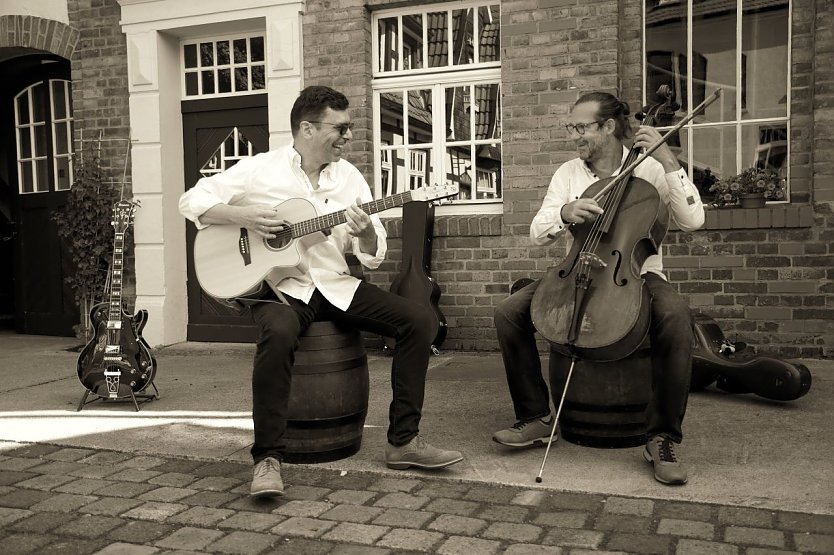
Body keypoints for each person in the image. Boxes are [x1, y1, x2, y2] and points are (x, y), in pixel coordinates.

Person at [179, 85, 463, 498]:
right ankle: (268, 459)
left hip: (335, 286)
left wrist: (365, 234)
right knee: (277, 333)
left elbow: (373, 256)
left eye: (349, 129)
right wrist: (245, 216)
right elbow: (193, 200)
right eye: (341, 128)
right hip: (282, 288)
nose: (349, 137)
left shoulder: (349, 177)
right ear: (307, 129)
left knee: (420, 319)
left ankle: (404, 441)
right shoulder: (260, 169)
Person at [492, 91, 705, 485]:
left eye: (581, 127)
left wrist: (669, 162)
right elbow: (538, 232)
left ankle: (661, 437)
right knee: (508, 313)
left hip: (636, 271)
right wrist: (563, 212)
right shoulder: (568, 173)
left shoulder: (652, 168)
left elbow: (692, 220)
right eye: (571, 127)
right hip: (578, 266)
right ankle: (537, 416)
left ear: (608, 127)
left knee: (676, 317)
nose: (575, 135)